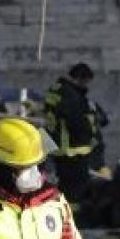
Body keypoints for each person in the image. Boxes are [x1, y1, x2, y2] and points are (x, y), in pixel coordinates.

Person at [44, 63, 101, 202]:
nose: (86, 86)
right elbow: (76, 121)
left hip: (61, 148)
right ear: (79, 78)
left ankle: (68, 214)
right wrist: (91, 138)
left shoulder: (57, 90)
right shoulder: (71, 96)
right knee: (76, 189)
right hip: (73, 149)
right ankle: (77, 217)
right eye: (86, 82)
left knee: (66, 186)